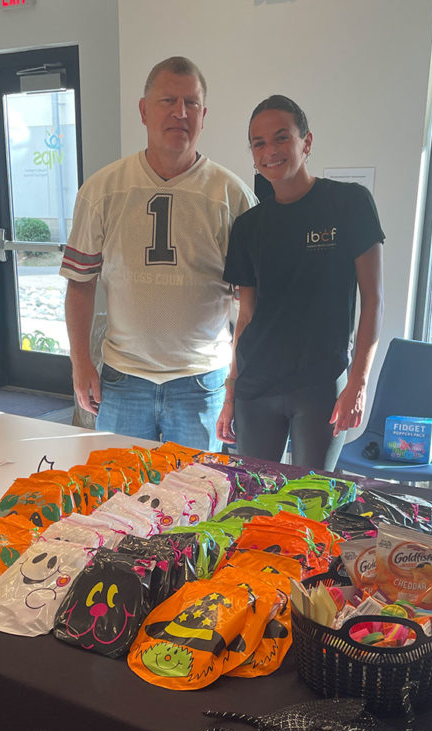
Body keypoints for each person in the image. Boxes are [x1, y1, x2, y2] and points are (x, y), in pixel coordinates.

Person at [60, 56, 256, 451]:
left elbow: (249, 304)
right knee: (121, 498)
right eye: (168, 101)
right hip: (124, 379)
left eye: (191, 103)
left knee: (198, 502)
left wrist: (235, 382)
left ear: (204, 115)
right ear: (143, 110)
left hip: (202, 383)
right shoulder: (103, 190)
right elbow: (80, 286)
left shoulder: (231, 196)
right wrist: (81, 363)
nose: (180, 113)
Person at [217, 95, 385, 471]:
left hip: (320, 384)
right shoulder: (248, 227)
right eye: (258, 143)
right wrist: (230, 393)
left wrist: (357, 384)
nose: (270, 151)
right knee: (254, 501)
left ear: (306, 142)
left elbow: (373, 301)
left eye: (281, 138)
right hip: (256, 386)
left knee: (311, 502)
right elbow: (245, 317)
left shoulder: (350, 204)